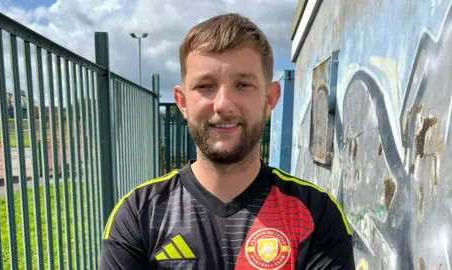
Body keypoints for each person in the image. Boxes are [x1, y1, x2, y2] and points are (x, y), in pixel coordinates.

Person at [99, 13, 355, 270]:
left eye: (242, 84)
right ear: (182, 101)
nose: (223, 104)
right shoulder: (139, 213)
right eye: (205, 86)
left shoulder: (316, 213)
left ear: (270, 99)